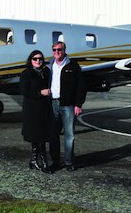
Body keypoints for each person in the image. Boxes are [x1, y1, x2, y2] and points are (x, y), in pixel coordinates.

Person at [48, 41, 86, 172]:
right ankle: (55, 162)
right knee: (53, 134)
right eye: (54, 50)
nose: (56, 52)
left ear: (64, 50)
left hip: (68, 105)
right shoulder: (49, 65)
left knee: (69, 135)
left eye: (59, 50)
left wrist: (78, 104)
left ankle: (69, 162)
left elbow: (81, 86)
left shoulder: (73, 66)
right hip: (53, 103)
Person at [19, 50, 53, 173]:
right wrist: (40, 93)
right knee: (38, 136)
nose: (38, 61)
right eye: (35, 59)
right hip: (32, 109)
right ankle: (43, 163)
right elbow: (24, 91)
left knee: (41, 135)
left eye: (40, 59)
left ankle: (33, 160)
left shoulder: (46, 72)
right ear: (31, 60)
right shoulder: (26, 74)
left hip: (44, 108)